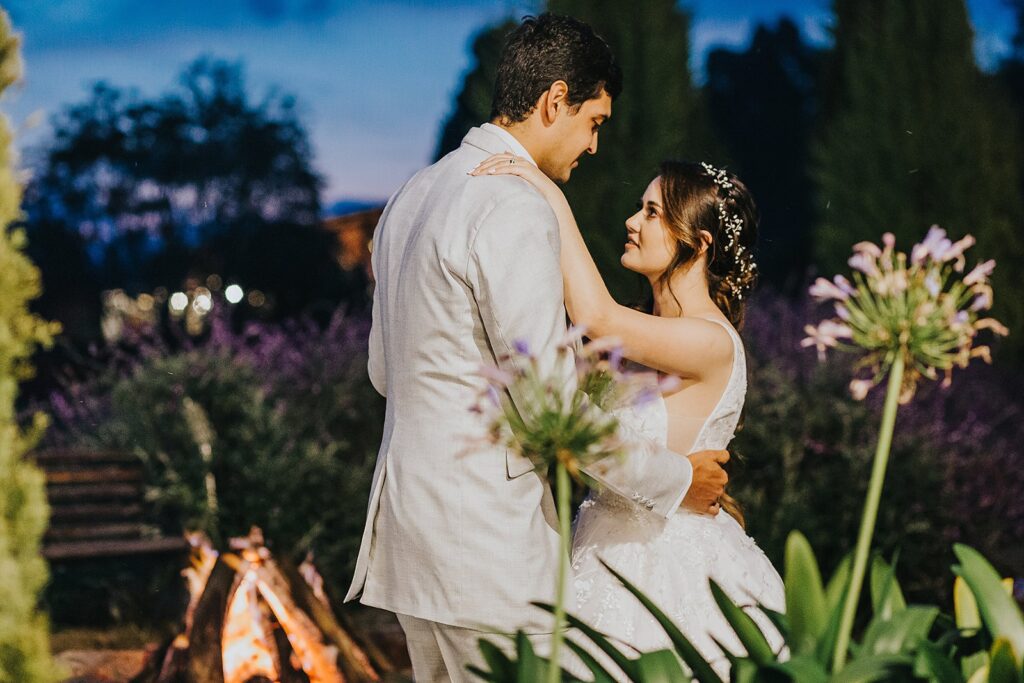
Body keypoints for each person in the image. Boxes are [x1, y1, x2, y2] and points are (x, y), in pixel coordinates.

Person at [344, 14, 731, 683]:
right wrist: (677, 480)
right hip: (486, 552)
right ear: (555, 101)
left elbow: (385, 372)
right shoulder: (513, 206)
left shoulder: (411, 196)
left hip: (408, 542)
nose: (595, 146)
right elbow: (553, 412)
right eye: (595, 121)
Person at [470, 154, 785, 676]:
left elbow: (594, 315)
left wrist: (549, 195)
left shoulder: (710, 341)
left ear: (699, 242)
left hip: (670, 569)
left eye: (653, 212)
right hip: (593, 553)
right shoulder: (637, 333)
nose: (632, 222)